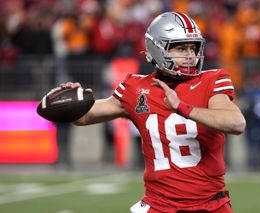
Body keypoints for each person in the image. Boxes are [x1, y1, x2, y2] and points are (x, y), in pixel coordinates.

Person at [60, 12, 246, 213]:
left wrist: (183, 107)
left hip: (210, 205)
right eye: (181, 48)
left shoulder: (212, 80)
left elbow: (236, 123)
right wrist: (72, 99)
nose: (190, 56)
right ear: (157, 49)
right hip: (158, 205)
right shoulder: (135, 87)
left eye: (193, 48)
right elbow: (83, 117)